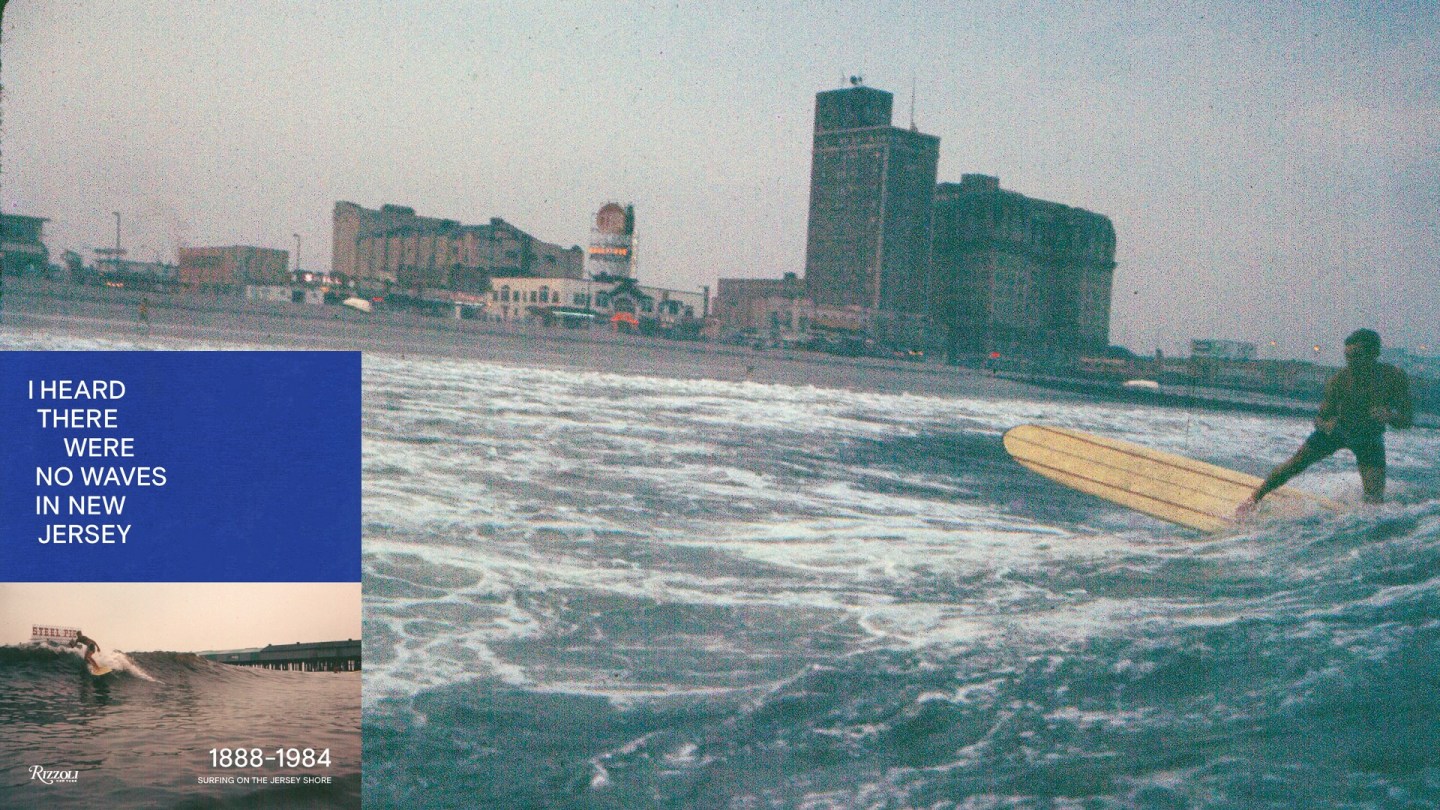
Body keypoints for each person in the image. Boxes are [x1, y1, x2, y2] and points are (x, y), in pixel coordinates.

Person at [1243, 329, 1412, 511]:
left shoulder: (1393, 378)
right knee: (1295, 463)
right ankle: (1254, 498)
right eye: (1347, 356)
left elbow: (1407, 420)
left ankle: (1366, 528)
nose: (1351, 362)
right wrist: (1327, 425)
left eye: (1356, 356)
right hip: (1338, 431)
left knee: (1375, 498)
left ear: (1374, 354)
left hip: (1369, 437)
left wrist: (1391, 416)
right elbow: (1320, 418)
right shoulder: (1340, 380)